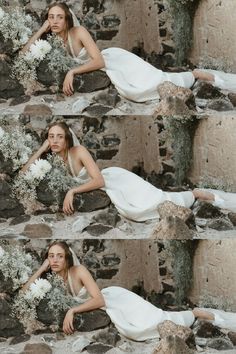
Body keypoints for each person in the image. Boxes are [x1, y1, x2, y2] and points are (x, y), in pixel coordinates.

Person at [22, 121, 235, 221]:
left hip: (116, 181)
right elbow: (24, 173)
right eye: (51, 137)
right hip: (104, 185)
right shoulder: (51, 157)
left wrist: (72, 191)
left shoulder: (78, 151)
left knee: (156, 202)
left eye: (59, 136)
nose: (55, 140)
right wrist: (41, 149)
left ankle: (201, 195)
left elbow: (99, 181)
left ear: (67, 138)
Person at [21, 2, 236, 102]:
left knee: (155, 83)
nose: (55, 21)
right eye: (51, 17)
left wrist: (72, 72)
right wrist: (41, 30)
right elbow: (24, 54)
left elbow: (98, 62)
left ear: (67, 18)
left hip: (116, 61)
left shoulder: (78, 31)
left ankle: (202, 75)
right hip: (105, 64)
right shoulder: (51, 37)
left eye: (59, 16)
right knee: (143, 89)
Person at [22, 241, 236, 339]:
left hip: (115, 300)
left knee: (153, 323)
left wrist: (72, 311)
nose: (55, 260)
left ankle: (198, 314)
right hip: (101, 305)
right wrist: (41, 269)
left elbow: (99, 301)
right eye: (51, 256)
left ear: (67, 257)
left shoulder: (78, 270)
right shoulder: (51, 276)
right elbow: (25, 292)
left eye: (60, 255)